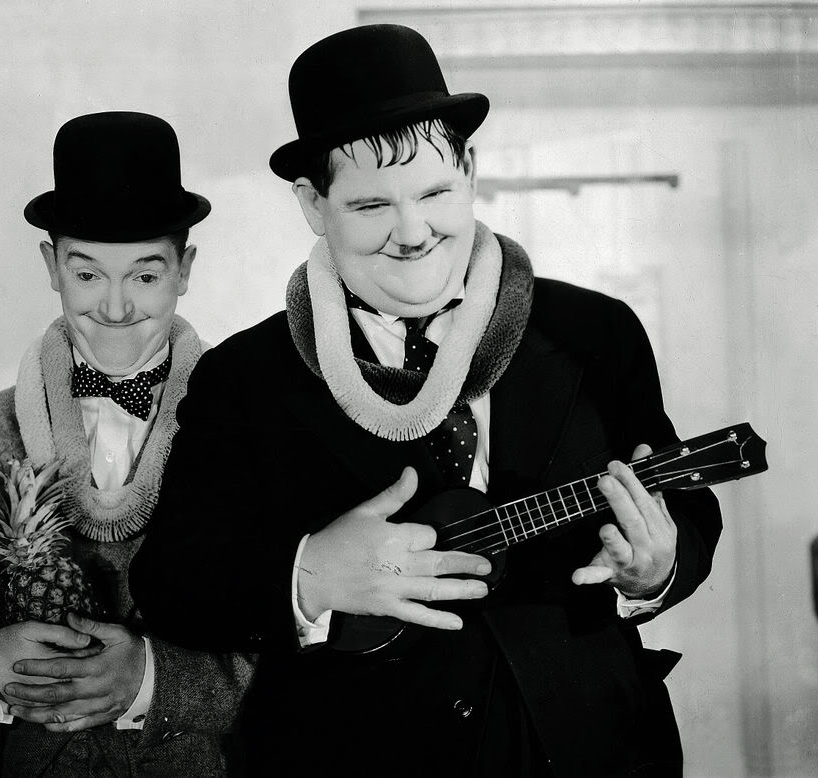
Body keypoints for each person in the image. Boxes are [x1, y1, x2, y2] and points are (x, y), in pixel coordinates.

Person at [130, 25, 722, 777]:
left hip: (589, 749)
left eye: (434, 193)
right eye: (371, 204)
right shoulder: (244, 376)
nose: (412, 233)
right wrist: (308, 575)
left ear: (469, 169)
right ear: (313, 203)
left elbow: (686, 509)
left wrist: (656, 568)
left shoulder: (595, 332)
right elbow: (171, 582)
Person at [0, 112, 253, 777]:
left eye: (145, 276)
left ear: (185, 270)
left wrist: (154, 680)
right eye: (87, 274)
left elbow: (306, 650)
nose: (114, 308)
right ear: (51, 266)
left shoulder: (253, 426)